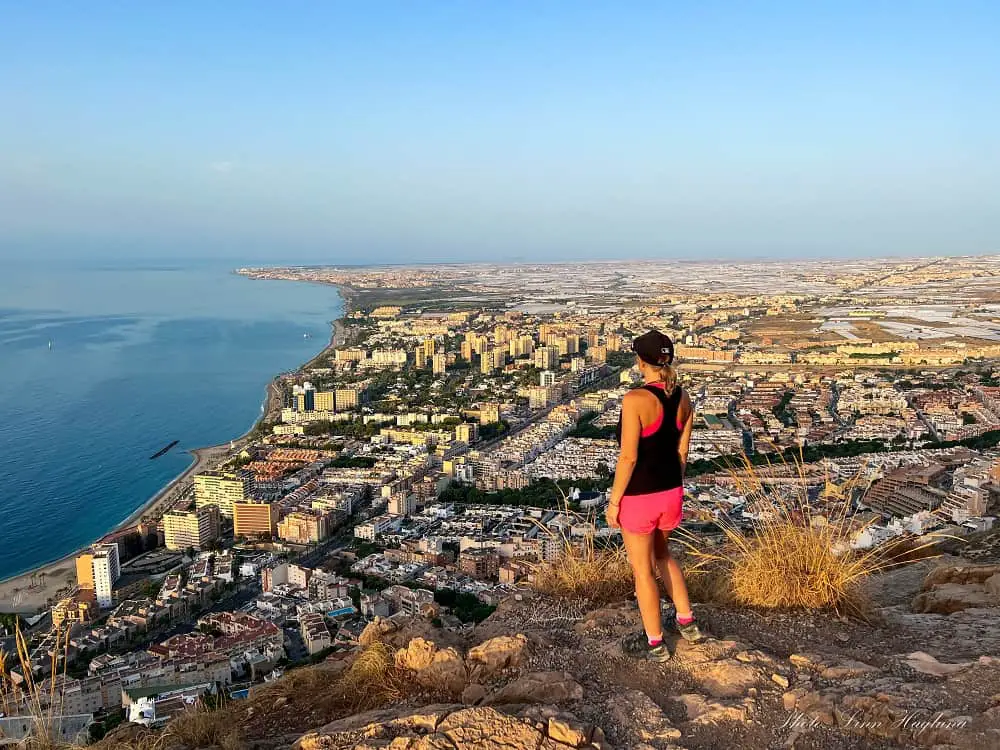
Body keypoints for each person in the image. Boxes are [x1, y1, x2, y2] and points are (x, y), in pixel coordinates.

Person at [606, 329, 702, 661]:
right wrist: (673, 488)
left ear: (640, 361)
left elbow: (628, 457)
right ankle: (687, 622)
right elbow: (683, 452)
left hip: (639, 497)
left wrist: (615, 500)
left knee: (643, 571)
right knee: (664, 555)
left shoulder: (635, 400)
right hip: (670, 491)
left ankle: (655, 642)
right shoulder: (684, 397)